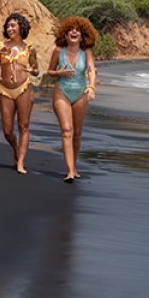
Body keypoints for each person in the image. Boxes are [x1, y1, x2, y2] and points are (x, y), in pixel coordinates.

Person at [46, 16, 98, 183]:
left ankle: (74, 166)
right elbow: (49, 71)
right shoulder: (58, 51)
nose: (74, 31)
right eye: (71, 29)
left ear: (83, 35)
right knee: (67, 130)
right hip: (62, 91)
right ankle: (69, 171)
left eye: (78, 30)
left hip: (81, 92)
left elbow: (91, 70)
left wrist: (91, 87)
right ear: (65, 34)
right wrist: (59, 73)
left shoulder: (86, 52)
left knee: (77, 132)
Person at [0, 12, 39, 174]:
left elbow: (36, 70)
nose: (9, 28)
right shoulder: (0, 46)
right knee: (7, 130)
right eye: (8, 26)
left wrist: (34, 70)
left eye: (13, 25)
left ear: (21, 27)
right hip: (5, 89)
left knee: (23, 126)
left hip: (24, 87)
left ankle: (21, 162)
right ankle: (16, 149)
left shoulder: (30, 49)